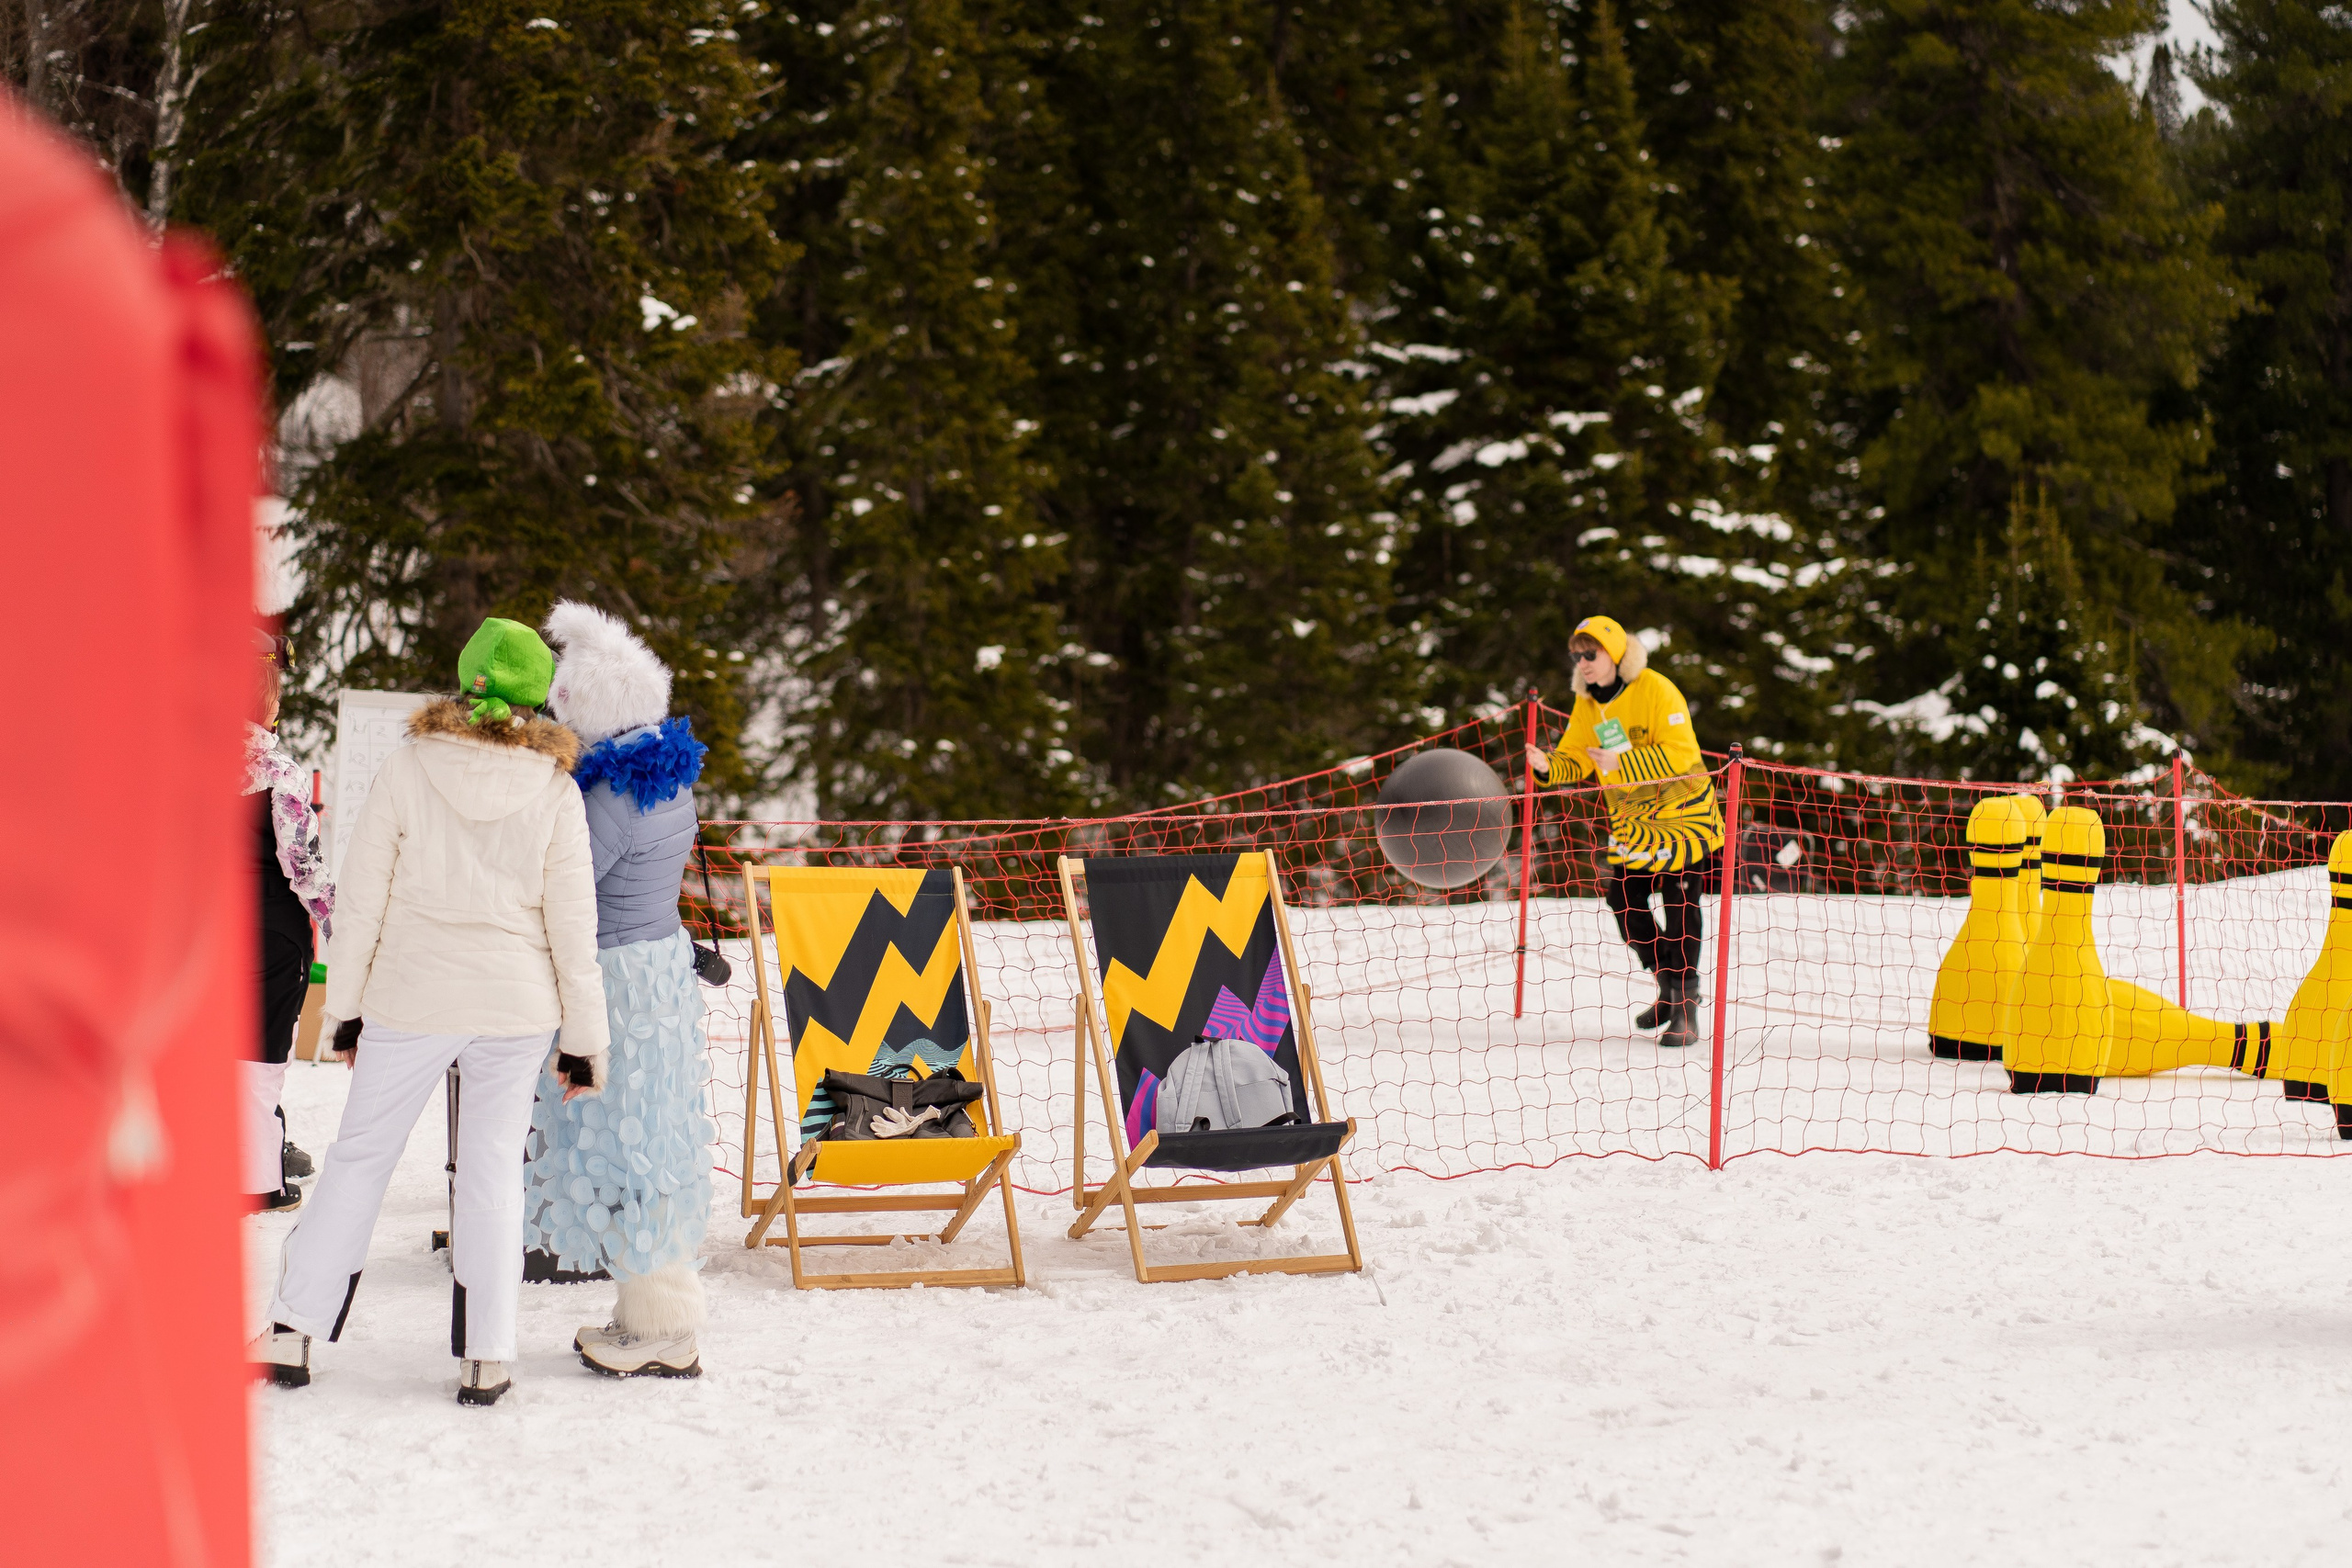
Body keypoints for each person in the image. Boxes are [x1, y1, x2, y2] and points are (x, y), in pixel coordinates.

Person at [248, 616, 608, 1406]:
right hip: (515, 1006)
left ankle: (292, 1330)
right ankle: (488, 1353)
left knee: (360, 1155)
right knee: (492, 1169)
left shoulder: (409, 766)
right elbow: (573, 926)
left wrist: (345, 1010)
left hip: (410, 996)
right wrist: (584, 1040)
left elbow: (363, 898)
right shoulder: (556, 789)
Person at [524, 601, 714, 1379]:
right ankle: (646, 1312)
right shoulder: (665, 775)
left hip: (621, 983)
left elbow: (573, 886)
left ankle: (663, 1325)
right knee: (649, 1137)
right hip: (657, 967)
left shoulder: (608, 795)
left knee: (632, 1143)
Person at [1526, 615, 1724, 1048]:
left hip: (1682, 816)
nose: (1583, 663)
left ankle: (1685, 1008)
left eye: (1590, 653)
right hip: (1634, 824)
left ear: (1615, 653)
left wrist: (1623, 762)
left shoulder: (1655, 688)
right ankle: (1668, 982)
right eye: (1576, 656)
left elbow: (1682, 751)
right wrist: (1547, 766)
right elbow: (1578, 757)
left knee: (1680, 904)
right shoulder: (1588, 702)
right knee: (1623, 900)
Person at [244, 631, 334, 1212]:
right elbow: (301, 866)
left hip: (201, 933)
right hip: (271, 937)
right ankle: (257, 1182)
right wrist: (343, 922)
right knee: (258, 1062)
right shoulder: (280, 773)